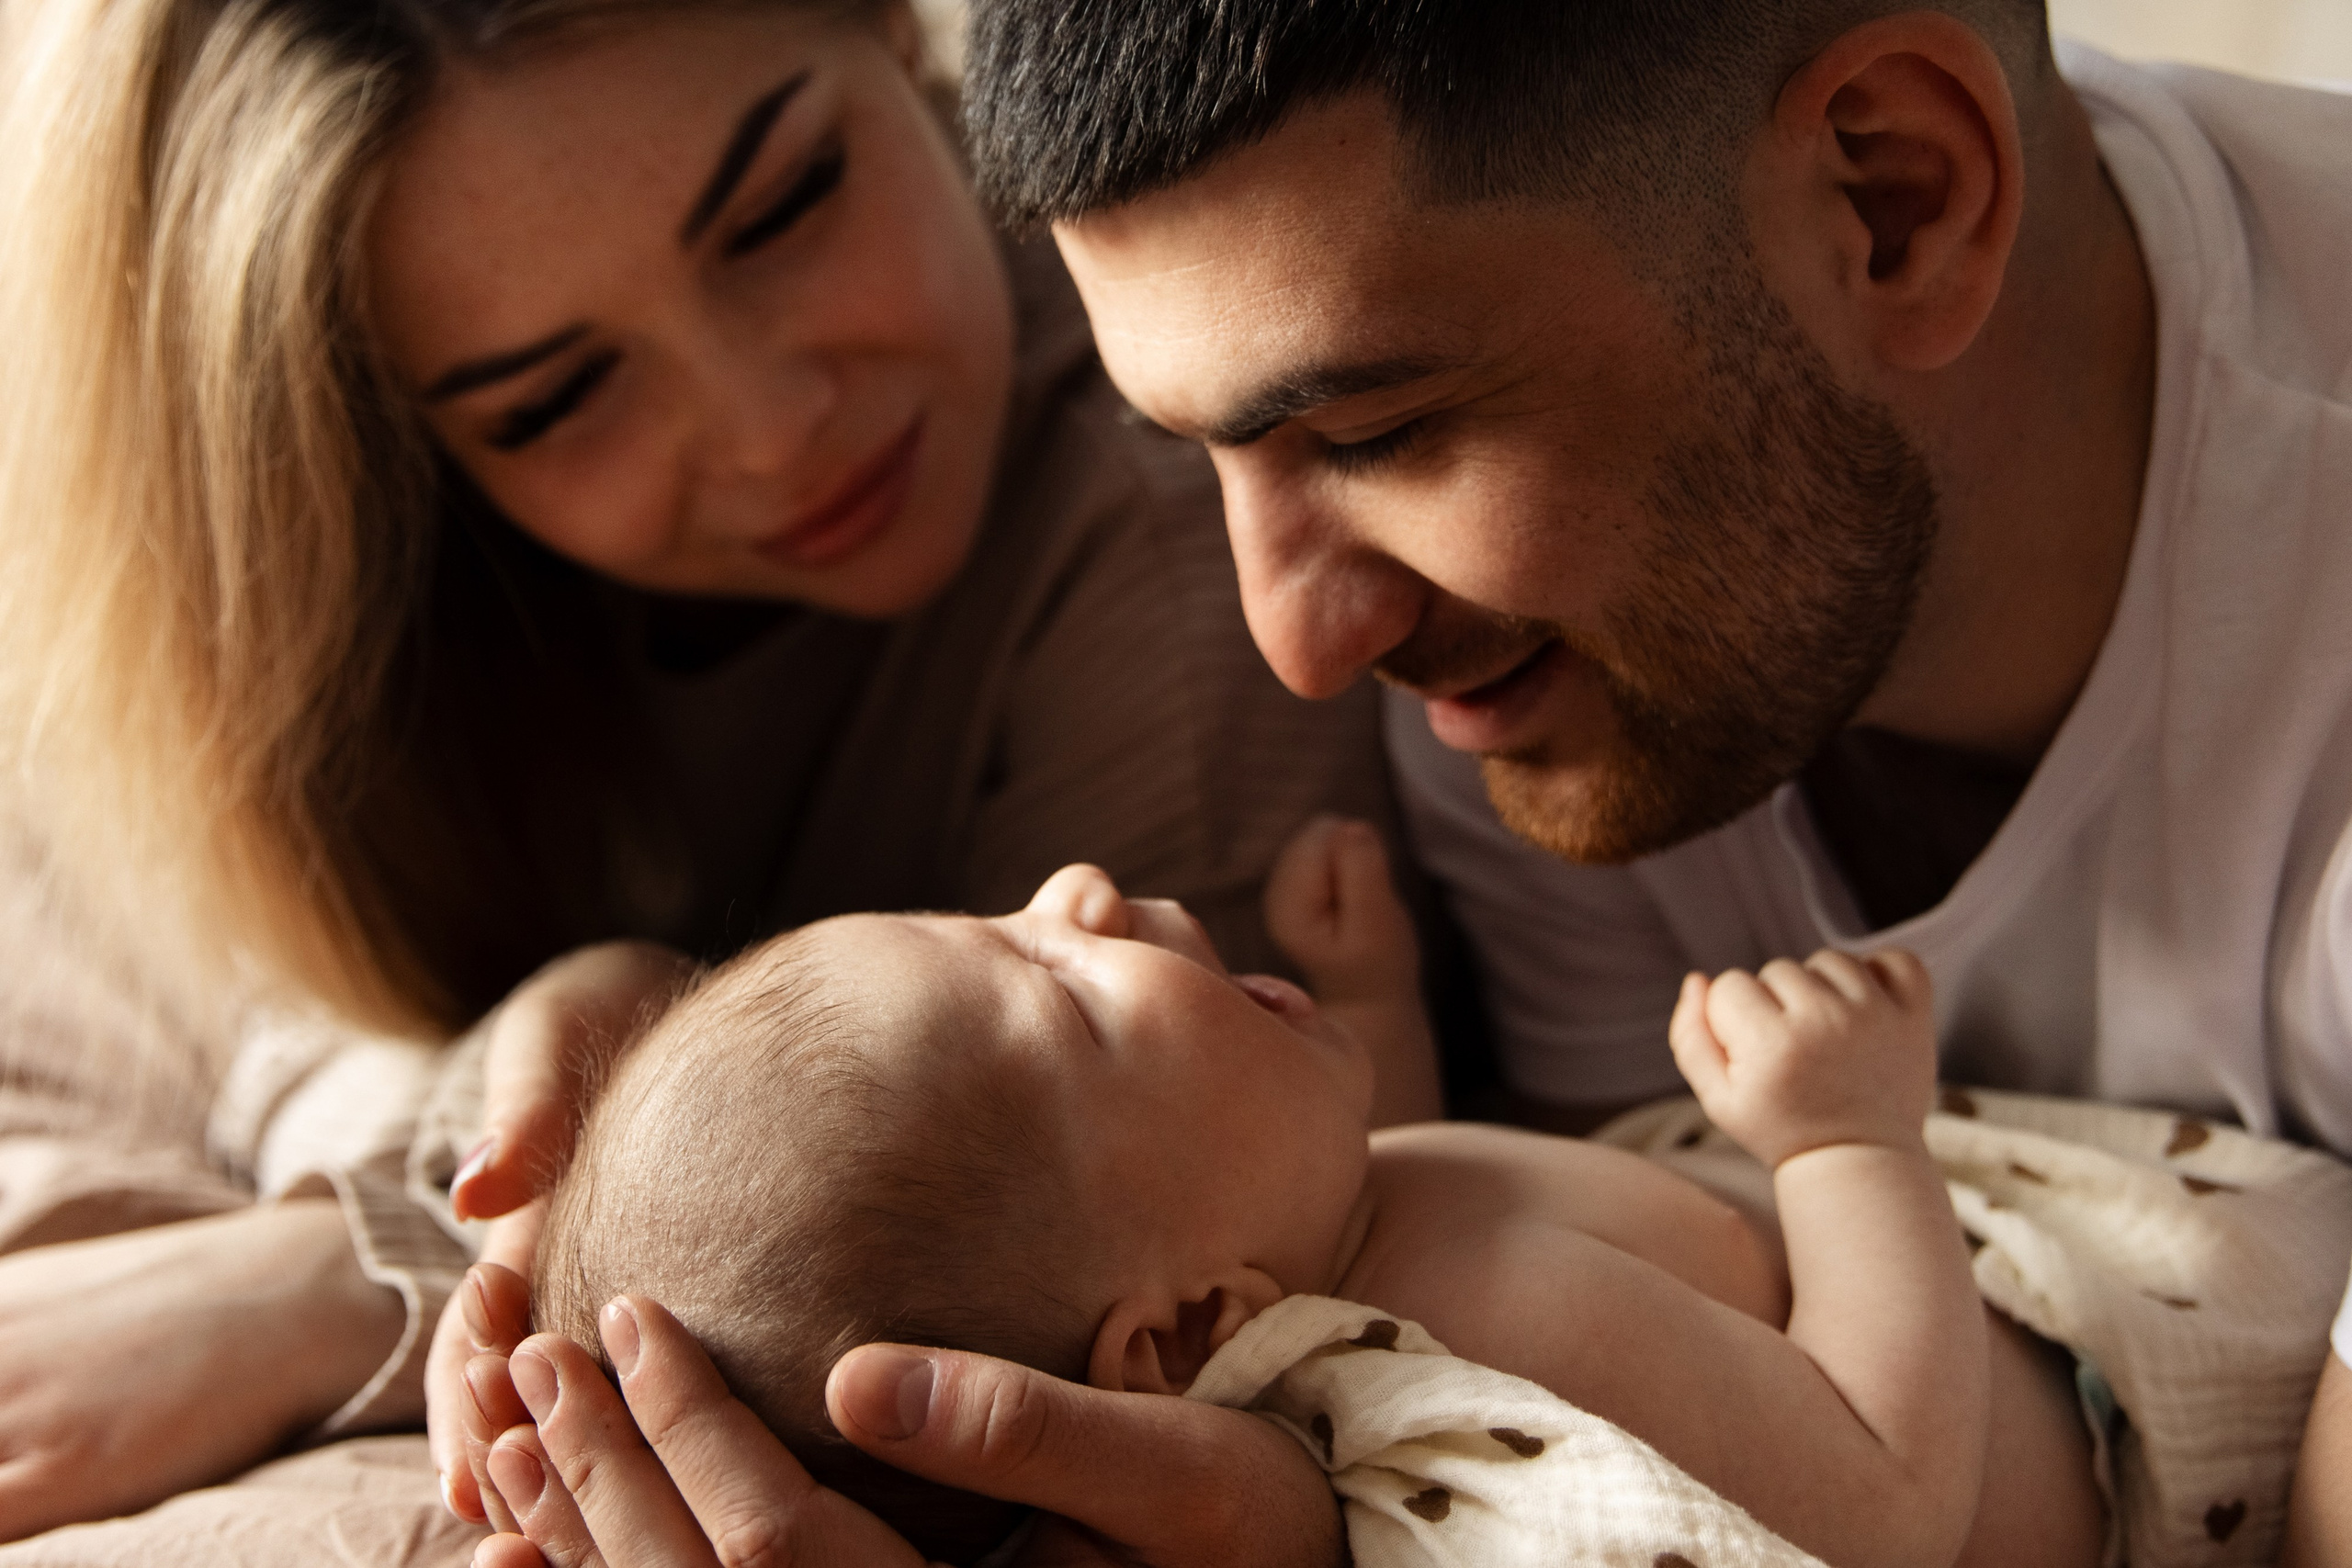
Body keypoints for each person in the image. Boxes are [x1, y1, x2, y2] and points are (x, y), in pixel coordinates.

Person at [473, 0, 2352, 1563]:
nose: (1295, 641)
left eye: (1369, 431)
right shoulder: (1541, 661)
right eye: (1206, 458)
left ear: (1890, 196)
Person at [0, 0, 1393, 1560]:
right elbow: (241, 1001)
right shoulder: (361, 616)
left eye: (786, 204)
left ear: (891, 36)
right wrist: (581, 1036)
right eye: (553, 400)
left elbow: (1109, 1232)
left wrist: (353, 1282)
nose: (770, 430)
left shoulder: (1160, 551)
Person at [531, 844, 2104, 1568]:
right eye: (1063, 992)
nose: (1074, 889)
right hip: (2091, 1424)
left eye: (987, 908)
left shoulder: (1312, 1245)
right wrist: (1847, 1143)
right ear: (1195, 1329)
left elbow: (1377, 1159)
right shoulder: (1513, 1343)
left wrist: (1373, 999)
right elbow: (1889, 1495)